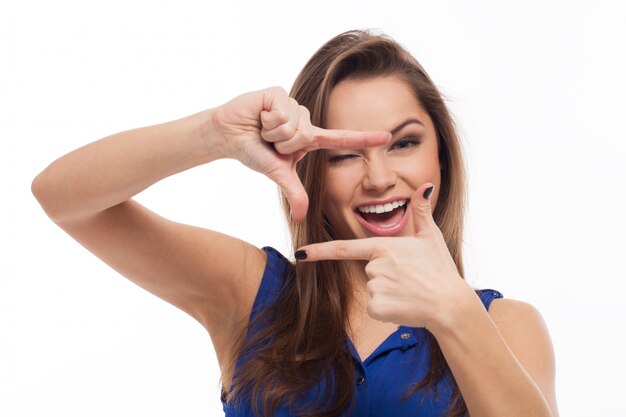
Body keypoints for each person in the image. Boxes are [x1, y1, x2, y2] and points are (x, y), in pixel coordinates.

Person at [31, 29, 559, 417]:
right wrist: (214, 132)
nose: (378, 179)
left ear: (441, 155)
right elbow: (64, 199)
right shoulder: (253, 293)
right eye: (343, 155)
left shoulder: (506, 326)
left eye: (404, 143)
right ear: (309, 171)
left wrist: (454, 313)